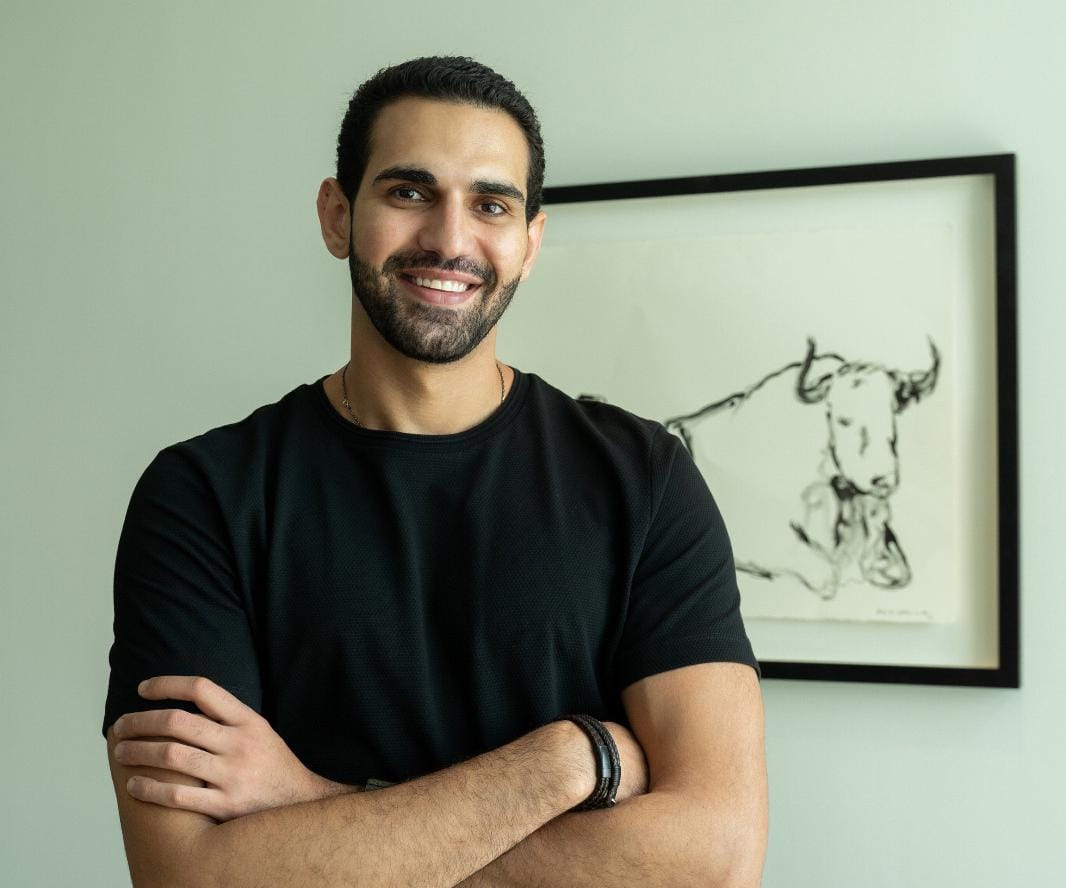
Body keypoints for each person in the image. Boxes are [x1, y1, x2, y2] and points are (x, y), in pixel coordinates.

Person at [103, 56, 768, 887]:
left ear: (529, 243)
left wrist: (313, 800)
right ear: (337, 216)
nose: (451, 240)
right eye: (409, 192)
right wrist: (564, 761)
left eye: (491, 205)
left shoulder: (644, 482)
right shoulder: (204, 495)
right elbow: (189, 876)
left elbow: (718, 858)